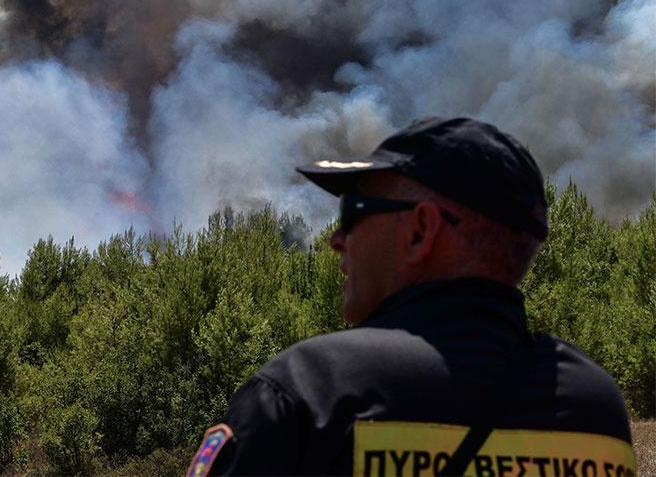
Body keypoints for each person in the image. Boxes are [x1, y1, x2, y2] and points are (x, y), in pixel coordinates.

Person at [187, 117, 636, 476]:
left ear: (422, 230)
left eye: (353, 211)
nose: (337, 239)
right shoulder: (594, 408)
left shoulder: (310, 392)